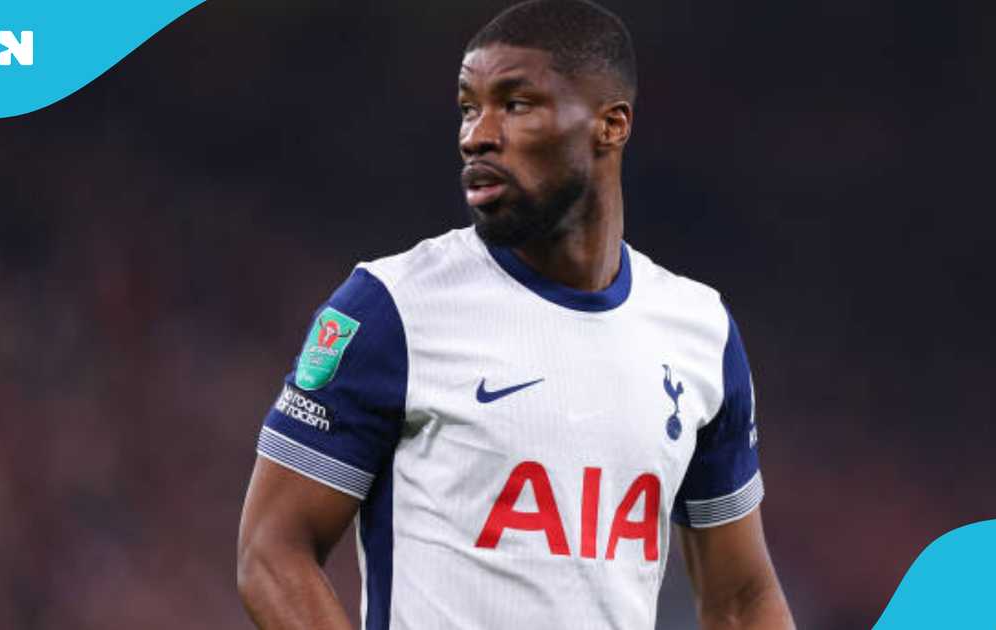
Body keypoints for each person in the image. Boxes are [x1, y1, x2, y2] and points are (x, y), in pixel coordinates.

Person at [236, 1, 795, 628]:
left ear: (610, 125)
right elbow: (272, 553)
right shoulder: (392, 308)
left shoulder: (699, 333)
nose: (476, 134)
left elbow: (742, 600)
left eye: (516, 104)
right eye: (468, 107)